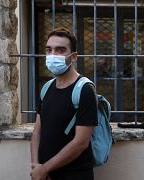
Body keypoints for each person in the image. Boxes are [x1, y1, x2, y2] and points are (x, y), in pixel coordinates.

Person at [30, 28, 98, 180]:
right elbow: (37, 133)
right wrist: (37, 167)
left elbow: (81, 142)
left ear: (73, 57)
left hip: (75, 175)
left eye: (60, 50)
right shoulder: (46, 88)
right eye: (49, 50)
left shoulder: (84, 90)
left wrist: (45, 168)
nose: (53, 54)